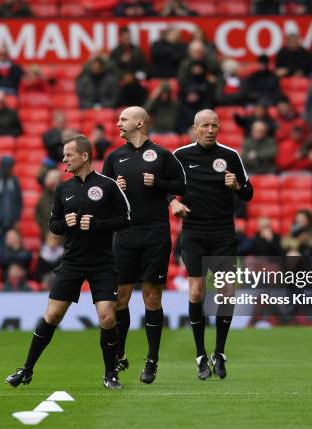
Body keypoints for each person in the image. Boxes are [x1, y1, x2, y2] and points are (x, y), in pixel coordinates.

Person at [5, 134, 131, 390]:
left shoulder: (108, 185)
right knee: (52, 315)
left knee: (107, 318)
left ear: (84, 156)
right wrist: (65, 224)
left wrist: (98, 225)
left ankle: (110, 374)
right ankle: (26, 369)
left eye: (69, 155)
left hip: (102, 263)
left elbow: (126, 218)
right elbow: (54, 224)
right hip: (72, 261)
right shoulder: (63, 189)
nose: (64, 159)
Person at [102, 106, 186, 383]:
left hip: (155, 233)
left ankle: (152, 361)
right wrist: (115, 187)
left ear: (139, 123)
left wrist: (159, 183)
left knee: (152, 296)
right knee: (120, 298)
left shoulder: (162, 155)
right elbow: (101, 199)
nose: (118, 123)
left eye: (123, 119)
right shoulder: (114, 158)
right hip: (124, 235)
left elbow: (182, 186)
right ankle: (120, 353)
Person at [171, 109, 254, 380]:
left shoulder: (230, 156)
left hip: (222, 233)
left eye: (214, 126)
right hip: (193, 232)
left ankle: (219, 352)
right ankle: (200, 355)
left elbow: (248, 192)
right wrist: (173, 201)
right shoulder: (181, 156)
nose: (210, 130)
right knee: (196, 293)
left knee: (226, 292)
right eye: (205, 126)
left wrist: (237, 187)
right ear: (195, 129)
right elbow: (164, 188)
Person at [35, 168, 61, 240]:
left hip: (62, 238)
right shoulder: (43, 197)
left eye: (55, 179)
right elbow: (38, 216)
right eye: (50, 178)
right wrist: (45, 230)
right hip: (46, 236)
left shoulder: (65, 195)